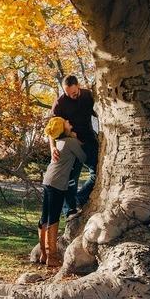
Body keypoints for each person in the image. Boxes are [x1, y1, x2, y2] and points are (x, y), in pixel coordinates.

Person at [38, 117, 86, 266]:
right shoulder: (71, 142)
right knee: (53, 218)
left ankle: (44, 255)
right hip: (57, 183)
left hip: (48, 180)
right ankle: (52, 257)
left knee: (45, 217)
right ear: (63, 128)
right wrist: (77, 140)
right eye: (66, 122)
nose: (68, 121)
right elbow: (83, 157)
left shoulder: (59, 142)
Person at [50, 75, 98, 217]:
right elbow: (51, 128)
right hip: (71, 143)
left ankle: (79, 198)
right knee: (70, 178)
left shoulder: (88, 96)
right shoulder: (60, 103)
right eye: (67, 93)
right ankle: (69, 210)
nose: (72, 95)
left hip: (89, 140)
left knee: (97, 172)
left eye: (74, 92)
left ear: (78, 86)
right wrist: (52, 147)